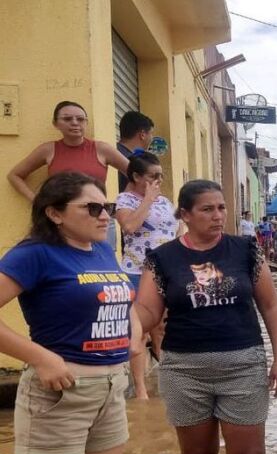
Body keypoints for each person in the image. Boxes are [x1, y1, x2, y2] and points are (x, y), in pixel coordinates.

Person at [0, 172, 142, 454]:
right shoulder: (33, 254)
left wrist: (133, 330)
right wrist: (40, 358)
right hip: (60, 395)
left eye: (108, 207)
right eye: (93, 208)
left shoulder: (101, 249)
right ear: (55, 213)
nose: (105, 216)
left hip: (111, 390)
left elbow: (120, 295)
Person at [134, 179, 277, 454]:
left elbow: (271, 305)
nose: (218, 216)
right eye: (207, 209)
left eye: (221, 208)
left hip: (243, 366)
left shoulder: (246, 250)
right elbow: (147, 310)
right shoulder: (162, 258)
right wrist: (127, 325)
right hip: (184, 370)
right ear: (185, 215)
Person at [7, 101, 129, 249]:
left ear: (86, 122)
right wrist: (37, 200)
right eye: (67, 119)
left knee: (102, 266)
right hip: (62, 221)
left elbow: (136, 175)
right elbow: (15, 175)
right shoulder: (48, 150)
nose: (75, 123)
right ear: (55, 123)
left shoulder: (102, 149)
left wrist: (125, 204)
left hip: (98, 217)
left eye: (80, 119)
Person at [114, 151, 177, 399]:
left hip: (165, 273)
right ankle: (140, 390)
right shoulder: (125, 200)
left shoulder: (164, 201)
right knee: (137, 331)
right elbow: (129, 226)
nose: (158, 181)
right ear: (136, 176)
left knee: (162, 328)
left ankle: (168, 379)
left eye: (161, 176)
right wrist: (148, 200)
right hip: (136, 272)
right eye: (153, 176)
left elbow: (175, 230)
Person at [116, 111, 155, 192]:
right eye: (151, 133)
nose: (152, 138)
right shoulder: (135, 162)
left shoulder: (112, 152)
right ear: (143, 134)